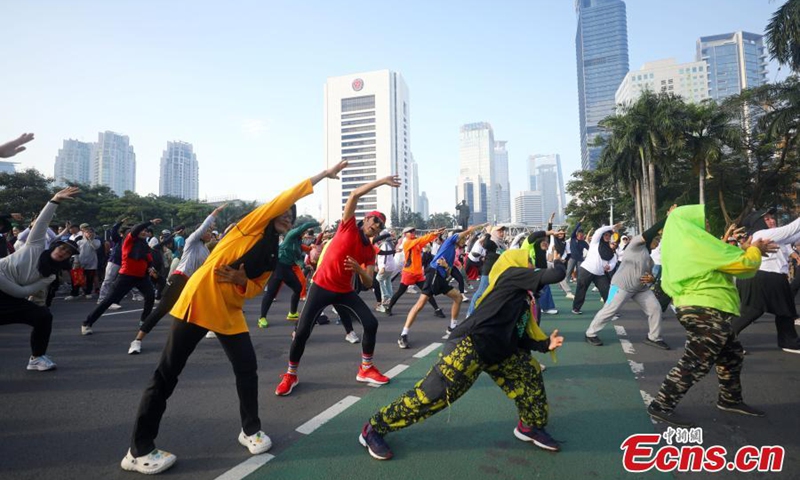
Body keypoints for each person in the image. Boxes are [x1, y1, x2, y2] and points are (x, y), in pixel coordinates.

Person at [121, 163, 346, 475]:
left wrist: (241, 278)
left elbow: (254, 288)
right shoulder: (250, 226)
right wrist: (322, 176)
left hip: (229, 311)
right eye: (283, 213)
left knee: (247, 369)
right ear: (271, 213)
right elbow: (285, 196)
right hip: (200, 301)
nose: (286, 218)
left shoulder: (272, 253)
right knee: (167, 374)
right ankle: (138, 449)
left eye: (290, 217)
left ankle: (250, 430)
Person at [359, 249, 566, 460]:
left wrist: (544, 344)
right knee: (432, 396)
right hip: (469, 347)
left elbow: (518, 337)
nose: (531, 265)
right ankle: (374, 428)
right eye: (529, 261)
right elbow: (556, 275)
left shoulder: (521, 299)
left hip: (499, 352)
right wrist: (558, 261)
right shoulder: (511, 274)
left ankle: (530, 427)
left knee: (528, 372)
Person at [647, 205, 777, 428]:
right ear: (688, 224)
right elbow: (742, 264)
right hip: (702, 309)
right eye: (702, 220)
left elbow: (727, 260)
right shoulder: (697, 245)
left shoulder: (693, 245)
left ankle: (730, 399)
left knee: (732, 354)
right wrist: (753, 250)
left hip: (701, 308)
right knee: (696, 360)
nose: (707, 224)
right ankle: (661, 404)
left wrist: (747, 250)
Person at [274, 175, 400, 397]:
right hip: (321, 286)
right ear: (366, 219)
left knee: (371, 323)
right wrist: (382, 182)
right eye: (374, 220)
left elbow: (369, 283)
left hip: (344, 291)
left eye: (380, 224)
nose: (376, 225)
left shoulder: (369, 252)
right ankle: (291, 374)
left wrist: (359, 269)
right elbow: (354, 195)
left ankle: (366, 368)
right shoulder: (348, 226)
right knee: (302, 332)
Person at [127, 204, 226, 354]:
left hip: (191, 283)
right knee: (161, 310)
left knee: (207, 304)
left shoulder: (205, 250)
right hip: (178, 279)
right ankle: (137, 341)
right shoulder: (191, 241)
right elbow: (204, 225)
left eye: (211, 232)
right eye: (208, 231)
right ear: (200, 232)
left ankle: (210, 330)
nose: (210, 234)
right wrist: (216, 212)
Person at [0, 187, 80, 371]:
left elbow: (24, 292)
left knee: (43, 316)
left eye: (68, 253)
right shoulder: (35, 246)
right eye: (62, 248)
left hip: (9, 295)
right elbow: (42, 223)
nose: (63, 253)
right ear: (54, 247)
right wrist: (55, 200)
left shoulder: (50, 275)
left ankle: (36, 358)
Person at [585, 206, 676, 349]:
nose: (657, 242)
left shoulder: (650, 258)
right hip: (621, 286)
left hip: (640, 289)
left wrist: (651, 279)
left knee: (655, 309)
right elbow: (651, 232)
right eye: (656, 239)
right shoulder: (635, 245)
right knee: (610, 310)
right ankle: (590, 333)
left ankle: (654, 337)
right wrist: (668, 217)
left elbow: (650, 275)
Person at [397, 223, 486, 349]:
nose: (464, 241)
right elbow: (467, 232)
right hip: (433, 274)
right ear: (457, 237)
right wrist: (480, 226)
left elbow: (449, 271)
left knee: (458, 298)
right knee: (420, 304)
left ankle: (452, 327)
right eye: (463, 239)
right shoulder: (450, 241)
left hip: (440, 277)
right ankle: (403, 335)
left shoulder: (453, 251)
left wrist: (446, 266)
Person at [732, 209, 800, 354]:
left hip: (773, 277)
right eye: (767, 219)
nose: (772, 220)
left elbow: (794, 235)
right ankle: (723, 340)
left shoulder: (773, 236)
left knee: (785, 311)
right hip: (762, 278)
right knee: (751, 312)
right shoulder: (762, 234)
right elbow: (791, 229)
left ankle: (789, 341)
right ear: (759, 223)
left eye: (772, 218)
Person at [83, 217, 161, 335]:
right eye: (142, 230)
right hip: (126, 277)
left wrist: (150, 268)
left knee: (150, 296)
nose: (144, 232)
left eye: (146, 230)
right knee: (108, 300)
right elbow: (136, 229)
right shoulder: (128, 241)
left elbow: (148, 260)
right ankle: (87, 323)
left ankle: (144, 320)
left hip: (142, 277)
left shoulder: (144, 245)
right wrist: (150, 222)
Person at [257, 219, 319, 327]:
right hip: (278, 266)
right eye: (303, 232)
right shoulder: (290, 235)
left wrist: (304, 265)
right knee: (271, 293)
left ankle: (293, 313)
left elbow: (297, 258)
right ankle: (262, 318)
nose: (305, 234)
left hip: (288, 268)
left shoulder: (299, 242)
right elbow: (303, 226)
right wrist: (317, 223)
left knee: (298, 288)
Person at [384, 227, 446, 318]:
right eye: (410, 231)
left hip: (418, 274)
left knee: (427, 292)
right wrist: (433, 233)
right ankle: (389, 308)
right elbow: (421, 239)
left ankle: (437, 309)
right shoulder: (407, 242)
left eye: (413, 231)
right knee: (400, 292)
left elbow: (425, 240)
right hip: (408, 273)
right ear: (405, 234)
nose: (413, 232)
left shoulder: (416, 243)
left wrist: (435, 234)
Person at [571, 223, 622, 314]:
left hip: (600, 274)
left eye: (609, 235)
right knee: (581, 290)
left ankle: (611, 311)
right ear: (602, 235)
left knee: (607, 291)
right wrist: (612, 227)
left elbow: (613, 262)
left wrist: (609, 266)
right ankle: (576, 308)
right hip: (587, 270)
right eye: (606, 235)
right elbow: (599, 231)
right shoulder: (595, 242)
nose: (607, 237)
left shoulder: (611, 251)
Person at [467, 226, 507, 316]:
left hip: (497, 272)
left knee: (495, 294)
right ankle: (470, 314)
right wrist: (488, 232)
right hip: (488, 272)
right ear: (493, 232)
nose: (502, 233)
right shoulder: (492, 242)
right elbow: (485, 244)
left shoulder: (501, 244)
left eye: (503, 231)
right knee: (480, 293)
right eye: (499, 231)